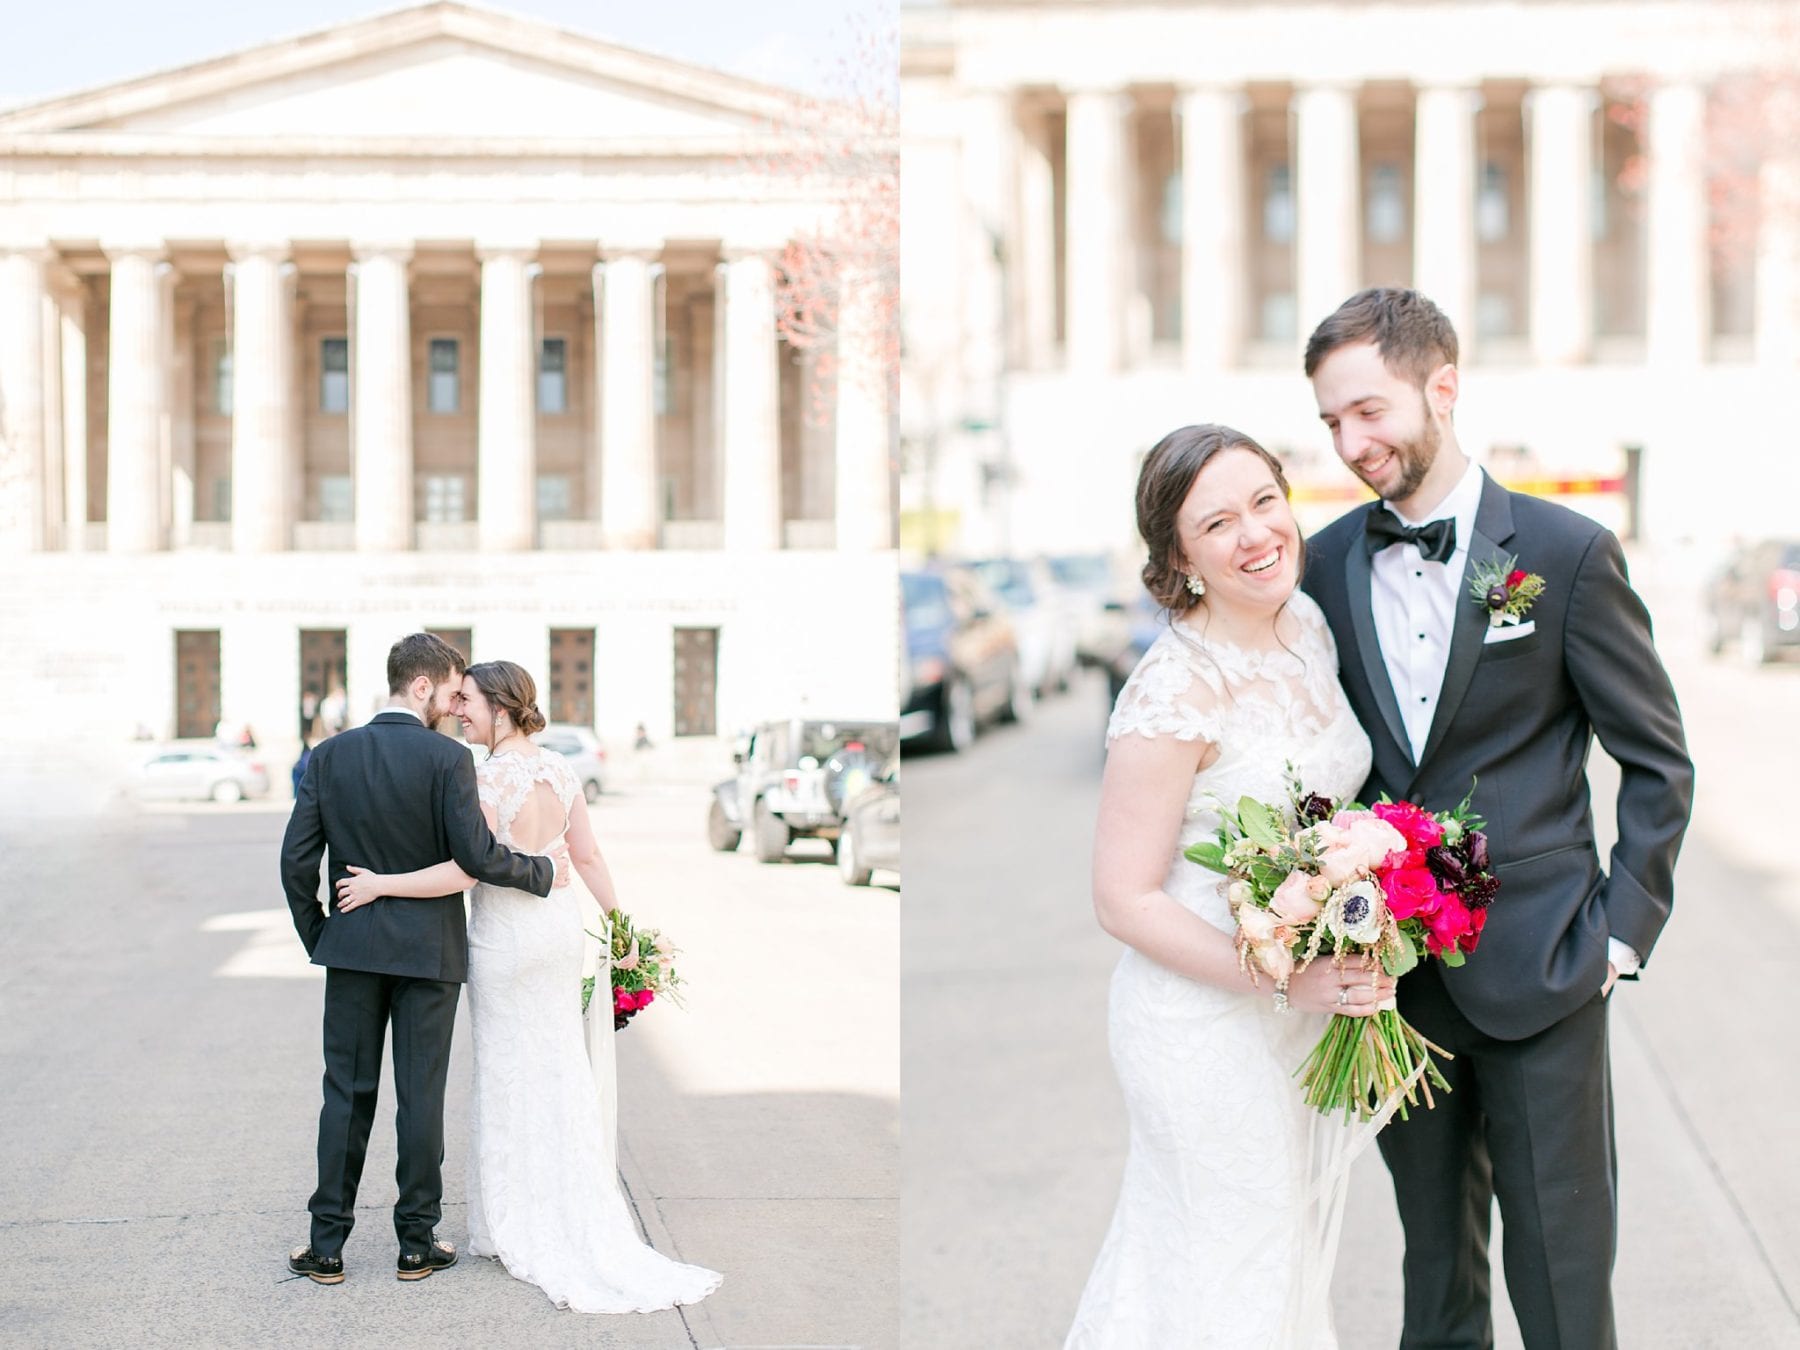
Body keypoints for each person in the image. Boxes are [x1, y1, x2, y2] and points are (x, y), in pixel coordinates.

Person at [1300, 288, 1693, 1349]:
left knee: (1564, 1282)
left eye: (1369, 411)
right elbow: (1313, 760)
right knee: (1435, 1277)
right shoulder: (1325, 564)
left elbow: (1656, 760)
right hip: (1396, 989)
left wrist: (1619, 936)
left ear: (1443, 386)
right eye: (1332, 421)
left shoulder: (1563, 553)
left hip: (1547, 967)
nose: (1352, 442)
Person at [1067, 424, 1396, 1348]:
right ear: (1181, 558)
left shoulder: (1309, 626)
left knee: (1251, 1265)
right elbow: (1122, 898)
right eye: (1219, 523)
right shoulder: (1175, 688)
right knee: (1236, 1269)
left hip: (1290, 1021)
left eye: (1263, 502)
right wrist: (1288, 976)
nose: (1256, 534)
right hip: (1196, 1029)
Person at [334, 660, 721, 1314]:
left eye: (473, 704)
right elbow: (590, 856)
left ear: (503, 711)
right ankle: (571, 1206)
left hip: (506, 941)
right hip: (559, 932)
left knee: (509, 1071)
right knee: (559, 1065)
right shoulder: (562, 769)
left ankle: (511, 1220)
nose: (462, 713)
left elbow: (467, 871)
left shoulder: (486, 777)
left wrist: (380, 883)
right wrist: (620, 923)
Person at [279, 634, 564, 1286]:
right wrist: (541, 872)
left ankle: (326, 1245)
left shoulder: (330, 755)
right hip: (429, 954)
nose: (455, 703)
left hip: (351, 948)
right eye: (451, 688)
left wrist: (320, 934)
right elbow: (475, 856)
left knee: (344, 1095)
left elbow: (296, 861)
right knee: (420, 1095)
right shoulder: (447, 759)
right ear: (422, 687)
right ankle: (416, 1242)